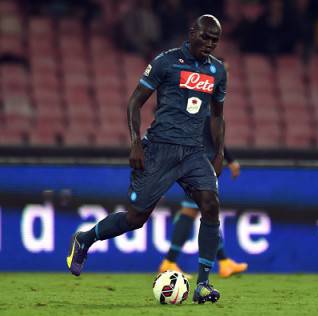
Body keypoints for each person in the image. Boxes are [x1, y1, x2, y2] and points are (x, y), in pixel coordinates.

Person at [67, 14, 226, 304]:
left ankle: (203, 284)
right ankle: (85, 239)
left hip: (193, 153)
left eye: (215, 40)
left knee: (211, 205)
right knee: (135, 218)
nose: (210, 44)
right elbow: (134, 102)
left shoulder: (217, 71)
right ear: (192, 33)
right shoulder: (166, 62)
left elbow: (217, 116)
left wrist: (220, 152)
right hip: (160, 149)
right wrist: (135, 143)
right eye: (205, 37)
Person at [159, 145, 247, 278]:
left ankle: (224, 261)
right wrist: (230, 160)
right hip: (198, 162)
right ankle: (169, 261)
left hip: (197, 160)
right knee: (198, 211)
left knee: (200, 211)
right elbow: (215, 134)